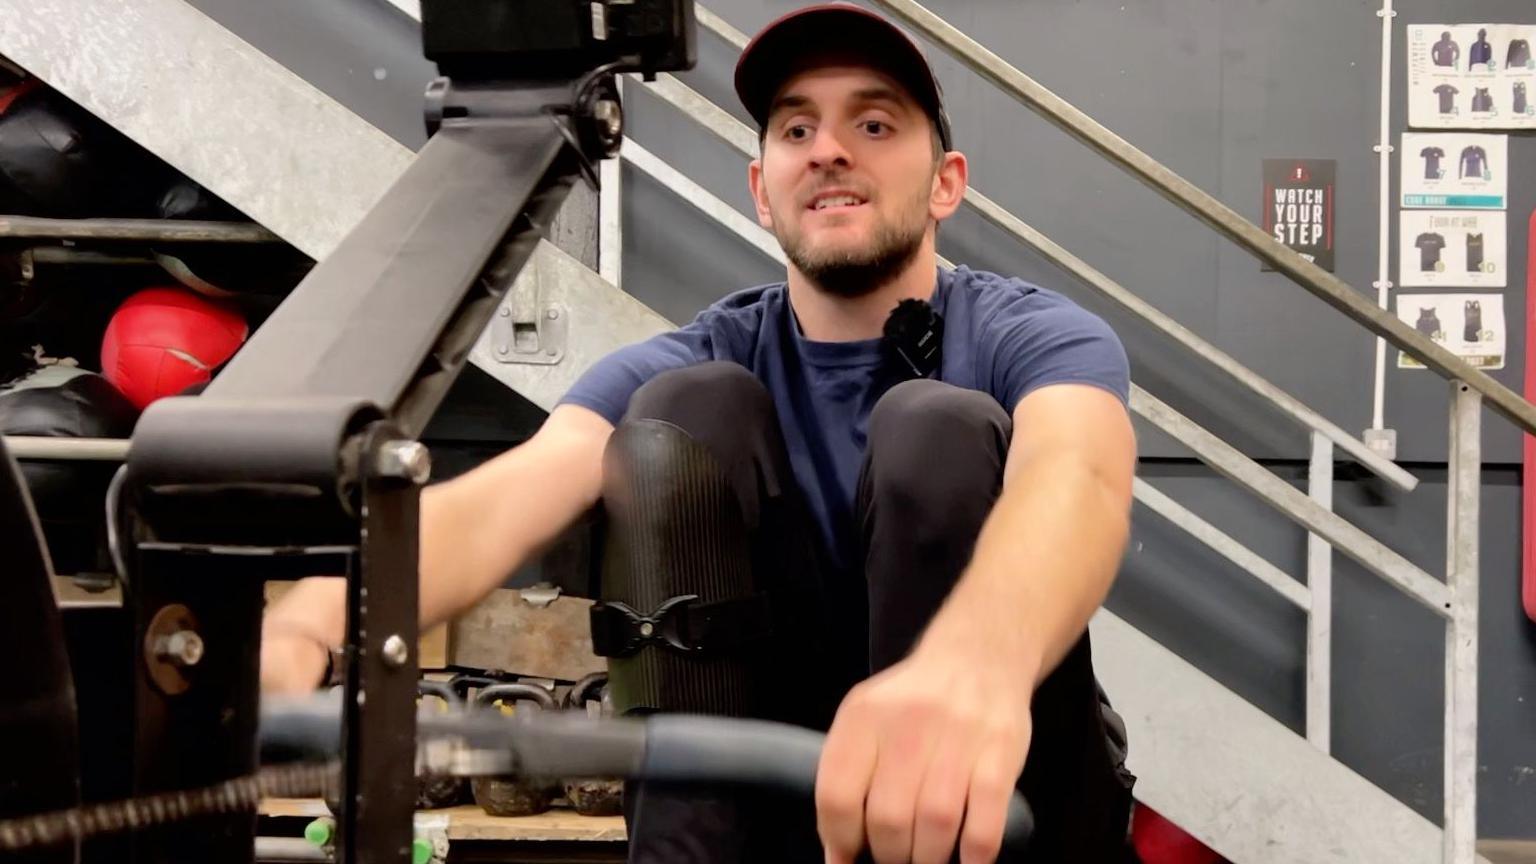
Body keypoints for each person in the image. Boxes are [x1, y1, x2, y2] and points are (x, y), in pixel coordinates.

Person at [261, 4, 1139, 862]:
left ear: (946, 181)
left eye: (873, 124)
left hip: (1009, 805)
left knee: (932, 429)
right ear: (762, 192)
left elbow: (1080, 476)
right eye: (796, 131)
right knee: (680, 420)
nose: (829, 149)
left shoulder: (1031, 333)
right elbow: (515, 495)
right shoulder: (712, 352)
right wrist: (311, 621)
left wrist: (972, 665)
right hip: (776, 799)